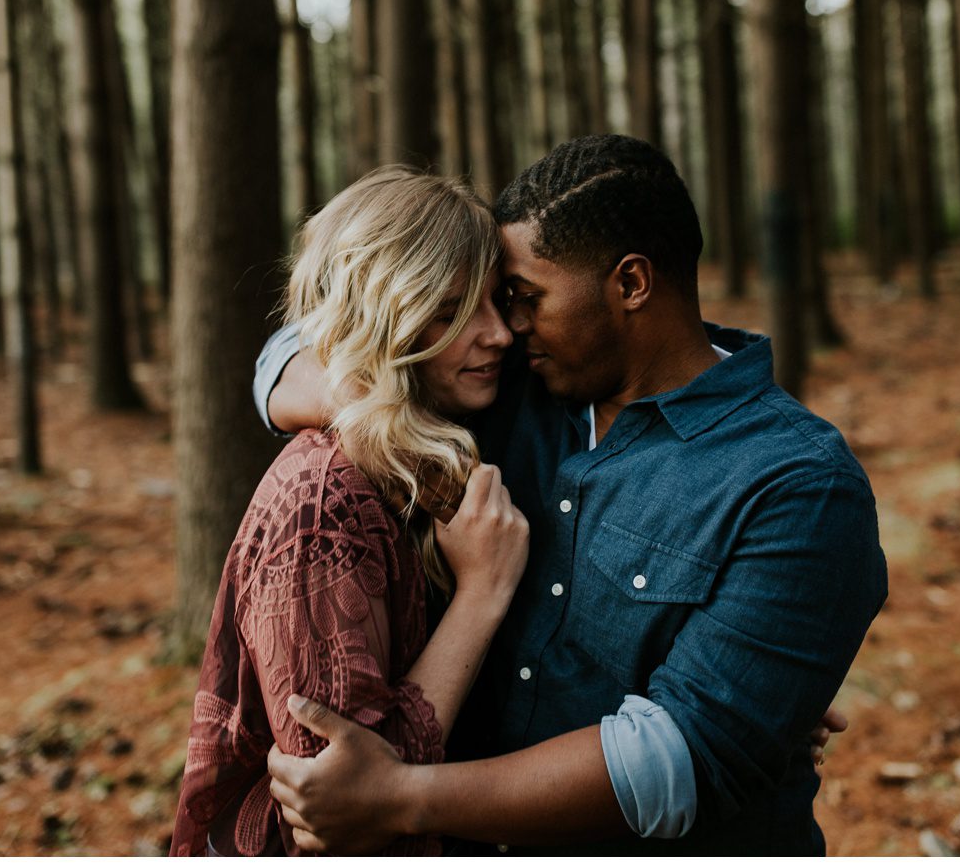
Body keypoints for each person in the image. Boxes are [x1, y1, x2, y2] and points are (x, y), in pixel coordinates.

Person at [255, 135, 888, 855]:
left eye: (525, 298)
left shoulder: (798, 484)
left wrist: (399, 797)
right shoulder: (506, 385)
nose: (506, 327)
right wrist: (378, 411)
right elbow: (289, 353)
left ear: (631, 284)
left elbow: (677, 760)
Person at [169, 167, 530, 856]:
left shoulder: (443, 431)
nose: (499, 335)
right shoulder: (322, 512)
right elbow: (343, 812)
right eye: (450, 311)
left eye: (497, 300)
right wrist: (482, 592)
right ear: (381, 320)